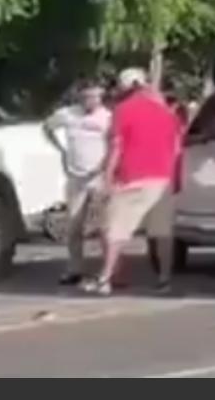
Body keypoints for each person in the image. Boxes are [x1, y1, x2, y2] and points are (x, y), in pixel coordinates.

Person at [83, 67, 182, 296]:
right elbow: (176, 148)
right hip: (162, 179)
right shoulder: (167, 112)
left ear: (124, 87)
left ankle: (105, 278)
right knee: (161, 232)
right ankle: (164, 278)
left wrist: (107, 178)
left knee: (115, 230)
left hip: (131, 178)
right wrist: (174, 179)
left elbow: (117, 147)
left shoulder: (122, 110)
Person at [42, 81, 111, 285]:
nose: (91, 101)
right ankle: (75, 268)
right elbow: (47, 127)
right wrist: (61, 150)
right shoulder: (68, 114)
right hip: (76, 176)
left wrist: (107, 166)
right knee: (74, 225)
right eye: (87, 97)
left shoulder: (107, 117)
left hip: (98, 175)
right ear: (80, 97)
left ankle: (108, 270)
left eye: (95, 97)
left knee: (104, 226)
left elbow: (116, 142)